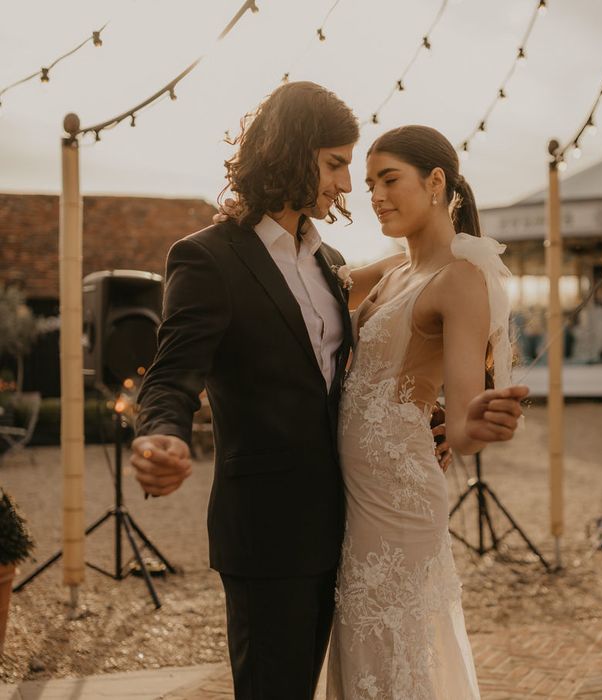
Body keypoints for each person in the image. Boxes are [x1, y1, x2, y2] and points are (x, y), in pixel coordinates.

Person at [130, 82, 525, 699]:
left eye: (362, 171)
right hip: (268, 533)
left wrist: (439, 418)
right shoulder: (208, 258)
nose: (349, 187)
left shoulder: (330, 262)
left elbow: (369, 371)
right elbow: (172, 371)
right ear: (291, 151)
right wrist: (160, 433)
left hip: (351, 526)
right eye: (337, 165)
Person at [325, 125, 527, 699]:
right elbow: (306, 285)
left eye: (389, 179)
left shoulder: (460, 280)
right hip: (350, 496)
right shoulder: (390, 270)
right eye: (368, 184)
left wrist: (479, 423)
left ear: (436, 182)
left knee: (391, 658)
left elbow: (462, 426)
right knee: (359, 653)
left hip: (400, 501)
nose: (375, 196)